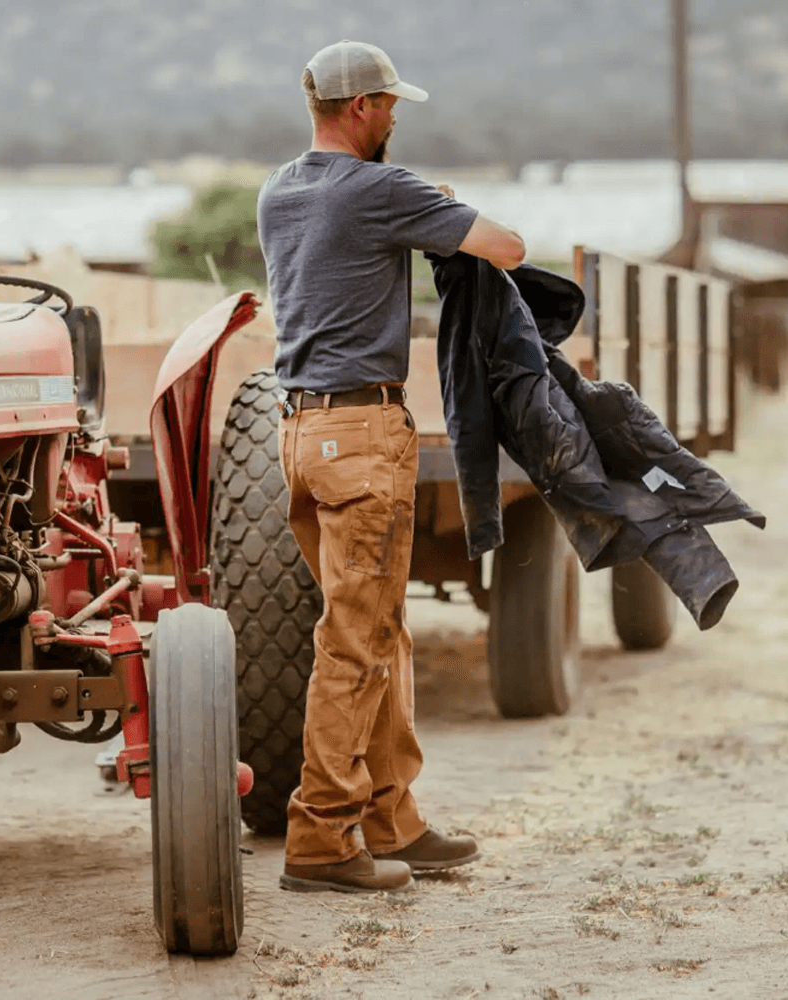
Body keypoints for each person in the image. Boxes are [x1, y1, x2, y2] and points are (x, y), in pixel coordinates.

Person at [256, 40, 525, 894]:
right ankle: (322, 840)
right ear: (363, 107)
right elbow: (508, 247)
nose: (397, 117)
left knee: (377, 633)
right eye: (390, 104)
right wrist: (437, 206)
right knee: (356, 642)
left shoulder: (280, 191)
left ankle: (392, 818)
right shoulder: (382, 190)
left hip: (300, 439)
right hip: (364, 438)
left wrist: (420, 206)